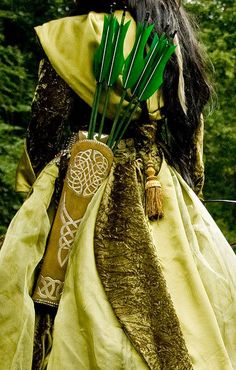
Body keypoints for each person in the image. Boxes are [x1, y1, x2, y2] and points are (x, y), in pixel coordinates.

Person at [0, 0, 236, 369]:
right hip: (157, 184)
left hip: (82, 185)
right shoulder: (172, 40)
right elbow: (190, 141)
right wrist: (191, 192)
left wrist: (39, 190)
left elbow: (45, 126)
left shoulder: (74, 34)